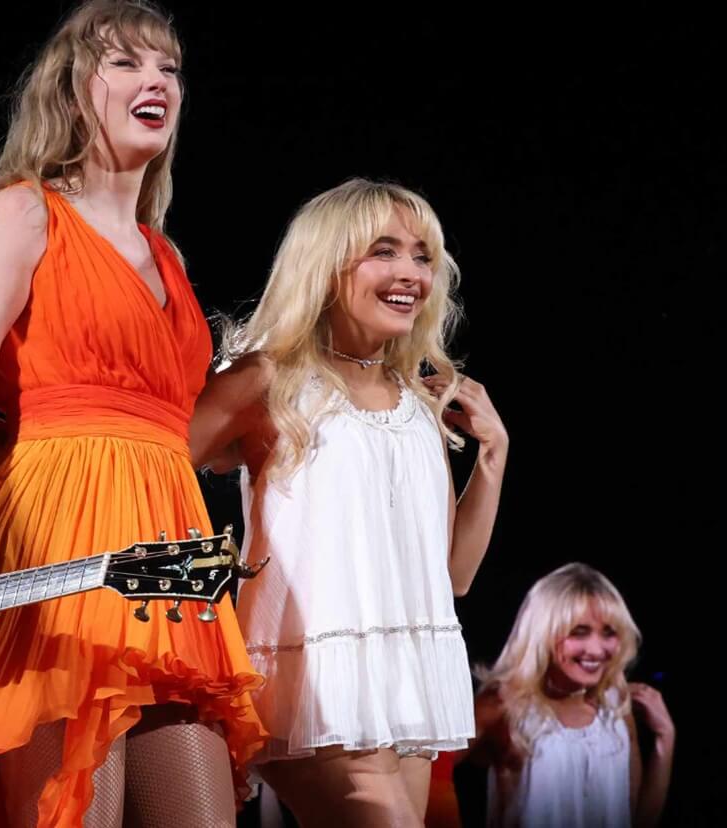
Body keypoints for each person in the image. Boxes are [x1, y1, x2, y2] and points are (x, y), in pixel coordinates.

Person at [0, 3, 265, 825]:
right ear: (72, 89)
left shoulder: (169, 258)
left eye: (169, 69)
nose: (157, 80)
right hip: (59, 539)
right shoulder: (24, 214)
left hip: (168, 562)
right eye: (126, 63)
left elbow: (179, 426)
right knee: (73, 805)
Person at [190, 178, 508, 826]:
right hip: (307, 677)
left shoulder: (417, 398)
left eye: (423, 255)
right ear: (327, 266)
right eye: (384, 251)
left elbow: (453, 576)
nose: (410, 274)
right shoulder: (267, 378)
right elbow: (149, 465)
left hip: (405, 682)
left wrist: (494, 457)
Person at [467, 563, 675, 827]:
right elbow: (429, 775)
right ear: (542, 633)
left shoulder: (615, 709)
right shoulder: (505, 705)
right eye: (579, 632)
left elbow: (637, 820)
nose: (596, 649)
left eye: (609, 633)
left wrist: (664, 739)